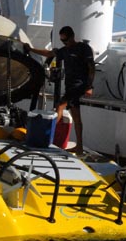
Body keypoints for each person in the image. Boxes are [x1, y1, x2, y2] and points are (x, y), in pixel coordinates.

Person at [27, 26, 95, 154]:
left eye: (66, 40)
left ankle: (45, 139)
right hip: (69, 85)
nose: (65, 43)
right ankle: (79, 147)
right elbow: (49, 53)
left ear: (72, 36)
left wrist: (89, 86)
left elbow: (91, 68)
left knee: (60, 106)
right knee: (76, 117)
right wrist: (31, 49)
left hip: (79, 85)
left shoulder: (83, 48)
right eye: (62, 41)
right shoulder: (64, 50)